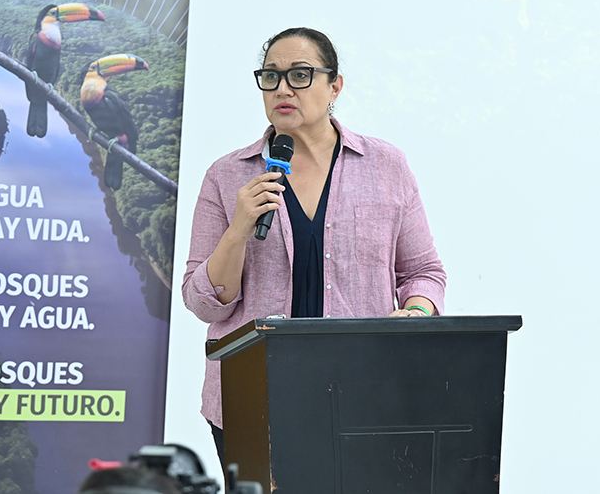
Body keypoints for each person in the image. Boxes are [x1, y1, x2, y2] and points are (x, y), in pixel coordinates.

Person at [181, 27, 447, 465]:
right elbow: (205, 303)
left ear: (334, 86)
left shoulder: (386, 166)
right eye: (271, 76)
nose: (283, 88)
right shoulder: (227, 175)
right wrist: (238, 229)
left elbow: (423, 272)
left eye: (300, 75)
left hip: (364, 392)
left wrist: (416, 313)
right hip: (253, 397)